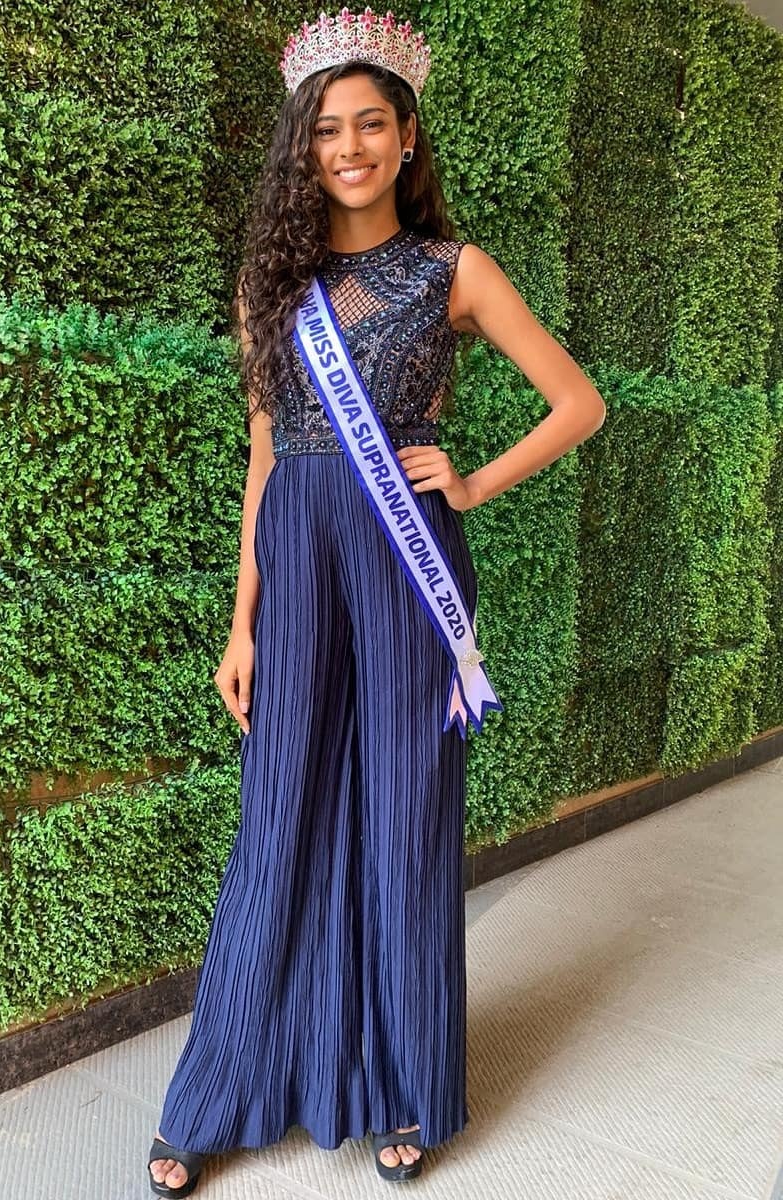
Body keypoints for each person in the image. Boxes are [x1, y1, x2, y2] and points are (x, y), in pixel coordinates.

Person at [148, 7, 605, 1196]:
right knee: (279, 815)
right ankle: (222, 1092)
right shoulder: (272, 284)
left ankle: (407, 1088)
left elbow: (578, 402)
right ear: (304, 145)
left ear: (406, 138)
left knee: (404, 814)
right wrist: (242, 622)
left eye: (370, 124)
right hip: (298, 558)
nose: (346, 146)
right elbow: (264, 458)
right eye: (326, 128)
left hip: (407, 560)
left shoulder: (456, 271)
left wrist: (475, 479)